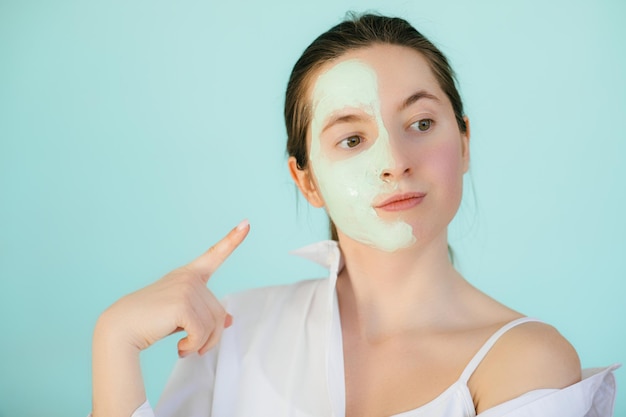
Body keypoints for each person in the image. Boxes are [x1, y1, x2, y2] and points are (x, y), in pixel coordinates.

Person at [91, 13, 618, 417]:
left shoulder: (527, 360)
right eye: (352, 138)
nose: (394, 163)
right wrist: (114, 340)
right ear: (308, 180)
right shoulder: (234, 332)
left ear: (464, 140)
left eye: (420, 123)